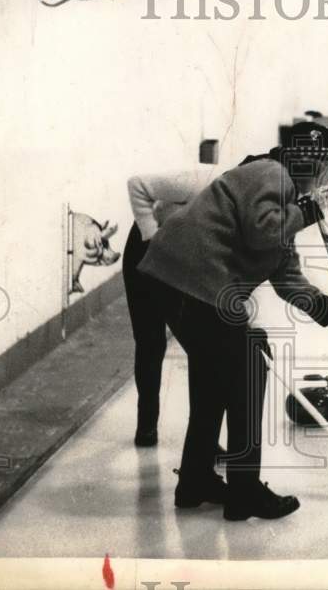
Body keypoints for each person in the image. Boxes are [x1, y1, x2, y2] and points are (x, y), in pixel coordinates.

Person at [137, 122, 328, 520]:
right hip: (193, 281)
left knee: (213, 380)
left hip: (177, 283)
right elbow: (263, 233)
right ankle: (244, 491)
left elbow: (288, 279)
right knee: (248, 370)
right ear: (309, 161)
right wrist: (307, 212)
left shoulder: (283, 198)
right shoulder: (270, 174)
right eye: (326, 167)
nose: (326, 178)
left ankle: (195, 481)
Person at [124, 169, 212, 447]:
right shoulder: (200, 183)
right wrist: (153, 239)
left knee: (202, 347)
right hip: (145, 248)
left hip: (181, 259)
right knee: (150, 341)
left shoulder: (241, 212)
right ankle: (146, 427)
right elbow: (137, 183)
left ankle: (202, 439)